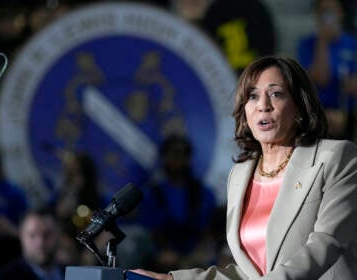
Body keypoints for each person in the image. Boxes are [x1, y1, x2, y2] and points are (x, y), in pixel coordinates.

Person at [131, 55, 357, 279]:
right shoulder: (240, 175)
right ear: (244, 109)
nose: (263, 106)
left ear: (299, 105)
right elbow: (246, 273)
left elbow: (326, 243)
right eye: (252, 96)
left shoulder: (336, 158)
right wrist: (172, 279)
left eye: (276, 94)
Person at [137, 134, 217, 271]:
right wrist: (162, 253)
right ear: (163, 158)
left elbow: (208, 231)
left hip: (195, 256)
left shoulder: (204, 194)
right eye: (171, 155)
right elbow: (149, 231)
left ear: (188, 158)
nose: (175, 160)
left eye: (180, 154)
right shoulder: (152, 194)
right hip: (160, 255)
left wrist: (196, 255)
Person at [297, 0, 357, 140]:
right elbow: (320, 78)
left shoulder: (352, 44)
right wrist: (323, 41)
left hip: (348, 113)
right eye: (323, 12)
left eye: (331, 11)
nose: (328, 17)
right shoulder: (307, 45)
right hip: (319, 113)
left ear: (340, 13)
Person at [0, 208, 65, 280]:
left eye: (47, 234)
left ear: (59, 234)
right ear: (21, 236)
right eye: (32, 235)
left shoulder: (75, 273)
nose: (40, 242)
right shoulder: (5, 277)